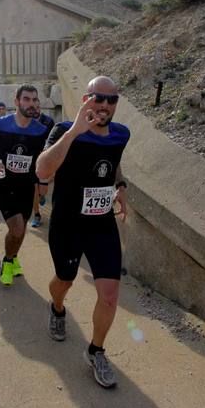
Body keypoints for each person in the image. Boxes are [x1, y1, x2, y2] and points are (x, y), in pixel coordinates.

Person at [35, 76, 130, 389]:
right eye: (97, 98)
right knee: (64, 280)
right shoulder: (64, 130)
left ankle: (96, 351)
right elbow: (43, 170)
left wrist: (121, 186)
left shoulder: (120, 134)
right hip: (67, 223)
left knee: (110, 294)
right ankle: (57, 308)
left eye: (110, 100)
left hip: (101, 223)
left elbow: (112, 162)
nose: (104, 105)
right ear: (85, 98)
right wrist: (76, 131)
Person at [0, 85, 48, 286]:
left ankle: (14, 256)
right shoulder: (0, 124)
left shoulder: (42, 130)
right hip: (4, 183)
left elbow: (45, 158)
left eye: (34, 100)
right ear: (17, 101)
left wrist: (43, 180)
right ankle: (8, 261)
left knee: (22, 228)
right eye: (26, 99)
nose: (31, 103)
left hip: (27, 186)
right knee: (17, 228)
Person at [30, 110, 55, 228]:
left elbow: (53, 140)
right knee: (34, 188)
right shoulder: (26, 121)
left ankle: (42, 195)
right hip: (31, 160)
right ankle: (36, 215)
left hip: (45, 159)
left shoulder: (48, 122)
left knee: (42, 190)